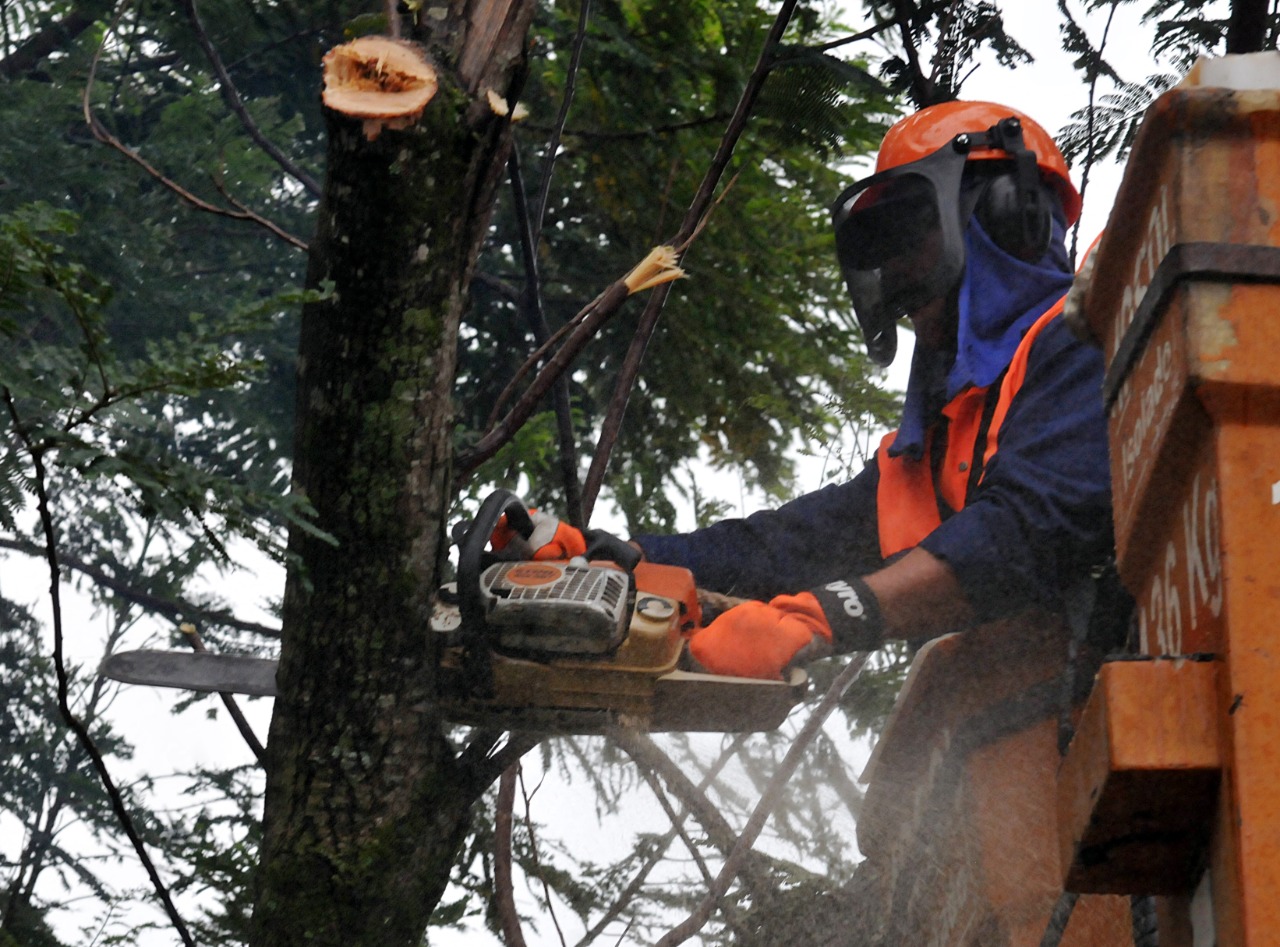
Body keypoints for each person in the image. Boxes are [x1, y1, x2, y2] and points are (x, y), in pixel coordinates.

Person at [510, 101, 1116, 681]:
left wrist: (825, 618)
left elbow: (1029, 534)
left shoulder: (1091, 340)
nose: (893, 270)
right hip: (1045, 714)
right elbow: (784, 547)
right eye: (880, 249)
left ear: (1010, 213)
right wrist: (618, 560)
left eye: (907, 233)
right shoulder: (941, 442)